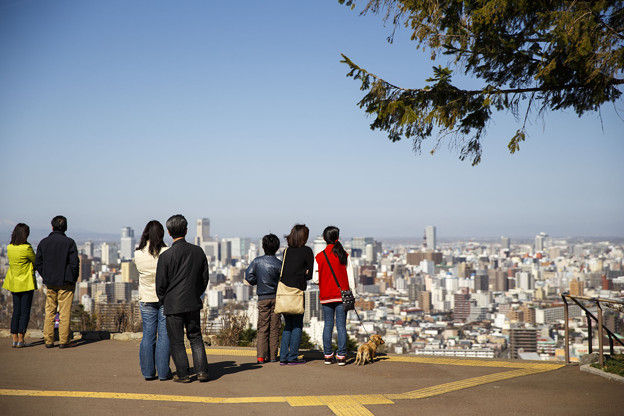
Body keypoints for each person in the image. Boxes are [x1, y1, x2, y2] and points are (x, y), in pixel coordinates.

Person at [156, 214, 209, 383]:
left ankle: (183, 374)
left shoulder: (165, 256)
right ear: (186, 230)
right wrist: (196, 293)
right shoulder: (198, 251)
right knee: (196, 337)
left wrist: (165, 299)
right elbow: (204, 278)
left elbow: (160, 285)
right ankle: (202, 372)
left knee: (177, 340)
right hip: (192, 302)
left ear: (169, 233)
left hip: (173, 304)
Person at [313, 226, 357, 366]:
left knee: (328, 325)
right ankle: (342, 356)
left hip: (326, 295)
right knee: (341, 326)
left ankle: (327, 355)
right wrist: (353, 294)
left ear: (324, 239)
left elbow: (315, 279)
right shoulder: (344, 255)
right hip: (342, 295)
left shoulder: (319, 257)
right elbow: (351, 277)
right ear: (337, 238)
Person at [135, 220, 172, 381]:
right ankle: (164, 372)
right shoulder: (167, 252)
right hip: (165, 298)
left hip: (146, 298)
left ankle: (148, 372)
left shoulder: (138, 253)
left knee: (148, 336)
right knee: (164, 336)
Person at [35, 215, 80, 349]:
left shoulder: (44, 242)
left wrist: (46, 275)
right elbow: (74, 264)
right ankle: (64, 341)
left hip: (50, 282)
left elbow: (38, 263)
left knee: (50, 310)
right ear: (65, 228)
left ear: (52, 227)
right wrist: (72, 278)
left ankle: (48, 340)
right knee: (64, 312)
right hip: (66, 282)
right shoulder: (69, 242)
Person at [279, 224, 314, 365]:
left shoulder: (287, 251)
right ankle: (293, 357)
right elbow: (310, 274)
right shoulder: (307, 251)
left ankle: (283, 357)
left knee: (288, 325)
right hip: (297, 291)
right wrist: (304, 274)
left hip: (284, 292)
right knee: (297, 325)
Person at [245, 233, 282, 364]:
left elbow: (248, 276)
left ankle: (261, 356)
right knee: (274, 328)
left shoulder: (257, 261)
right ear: (276, 247)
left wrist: (258, 282)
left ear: (263, 246)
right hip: (276, 298)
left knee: (262, 327)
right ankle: (273, 356)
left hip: (263, 298)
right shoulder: (279, 263)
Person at [3, 223, 37, 348]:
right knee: (25, 311)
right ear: (25, 234)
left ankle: (14, 338)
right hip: (26, 282)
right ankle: (21, 339)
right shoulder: (26, 248)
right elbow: (35, 260)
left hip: (13, 282)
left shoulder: (10, 247)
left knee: (16, 311)